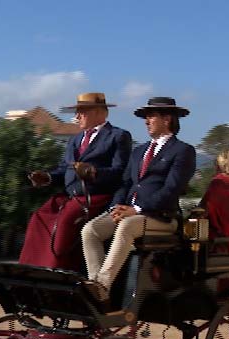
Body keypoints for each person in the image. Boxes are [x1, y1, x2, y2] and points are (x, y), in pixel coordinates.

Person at [80, 96, 197, 312]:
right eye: (146, 116)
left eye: (151, 116)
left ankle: (102, 284)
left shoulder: (183, 151)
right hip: (131, 213)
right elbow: (125, 183)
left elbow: (171, 190)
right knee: (90, 230)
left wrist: (137, 209)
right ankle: (97, 289)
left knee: (127, 226)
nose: (146, 121)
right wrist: (115, 207)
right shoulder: (138, 151)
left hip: (162, 218)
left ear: (167, 119)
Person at [19, 92, 132, 271]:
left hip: (96, 196)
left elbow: (121, 172)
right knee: (38, 217)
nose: (77, 116)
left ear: (100, 113)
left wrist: (92, 172)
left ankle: (58, 271)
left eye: (82, 112)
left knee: (65, 221)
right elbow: (64, 168)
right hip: (70, 196)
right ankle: (30, 269)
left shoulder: (118, 136)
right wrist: (47, 177)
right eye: (77, 112)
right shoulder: (75, 139)